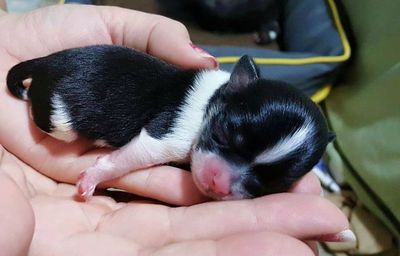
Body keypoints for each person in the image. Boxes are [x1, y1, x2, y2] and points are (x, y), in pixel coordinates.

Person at [0, 3, 353, 255]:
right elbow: (152, 144)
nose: (222, 181)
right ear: (234, 89)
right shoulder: (190, 113)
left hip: (78, 80)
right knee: (60, 126)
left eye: (258, 182)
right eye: (225, 139)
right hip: (65, 99)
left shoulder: (222, 99)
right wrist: (101, 170)